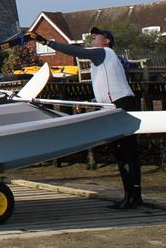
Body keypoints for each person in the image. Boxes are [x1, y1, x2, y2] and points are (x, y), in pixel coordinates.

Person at [31, 27, 142, 209]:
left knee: (125, 154)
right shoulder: (103, 58)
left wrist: (47, 42)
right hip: (117, 104)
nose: (93, 37)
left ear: (106, 41)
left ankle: (132, 198)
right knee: (124, 154)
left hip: (121, 105)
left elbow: (75, 51)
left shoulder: (103, 52)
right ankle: (133, 197)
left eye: (97, 35)